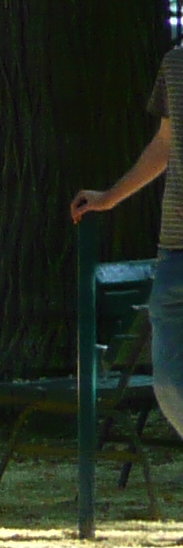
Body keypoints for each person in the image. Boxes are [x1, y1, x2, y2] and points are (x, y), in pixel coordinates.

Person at [71, 33, 183, 442]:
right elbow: (166, 142)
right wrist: (111, 196)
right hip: (175, 249)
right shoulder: (175, 64)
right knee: (171, 385)